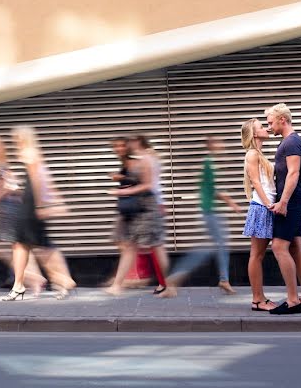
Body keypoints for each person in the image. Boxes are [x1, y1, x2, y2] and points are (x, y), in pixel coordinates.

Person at [158, 137, 241, 298]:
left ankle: (222, 279)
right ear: (211, 146)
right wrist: (232, 203)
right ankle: (176, 277)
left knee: (217, 246)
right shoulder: (210, 163)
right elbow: (214, 190)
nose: (222, 145)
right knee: (211, 248)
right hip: (211, 211)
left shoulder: (211, 163)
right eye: (218, 143)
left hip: (211, 210)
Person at [2, 125, 76, 301]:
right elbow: (42, 180)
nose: (15, 141)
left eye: (17, 138)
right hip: (30, 203)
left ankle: (60, 280)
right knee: (29, 245)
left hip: (31, 205)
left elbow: (37, 181)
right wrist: (17, 188)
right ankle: (57, 282)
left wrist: (41, 205)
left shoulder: (28, 152)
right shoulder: (33, 152)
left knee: (30, 245)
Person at [0, 136, 46, 298]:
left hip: (7, 211)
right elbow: (0, 188)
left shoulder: (4, 166)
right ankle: (32, 280)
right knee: (13, 247)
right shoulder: (1, 166)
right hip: (9, 209)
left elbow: (9, 188)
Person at [265, 103, 301, 315]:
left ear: (282, 120)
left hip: (292, 202)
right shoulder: (290, 142)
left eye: (270, 122)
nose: (269, 127)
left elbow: (293, 174)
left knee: (278, 247)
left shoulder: (291, 143)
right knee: (295, 247)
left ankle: (293, 301)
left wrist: (283, 202)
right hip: (294, 201)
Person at [105, 135, 169, 296]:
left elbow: (148, 185)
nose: (126, 146)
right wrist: (121, 178)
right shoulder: (141, 158)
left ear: (137, 143)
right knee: (133, 246)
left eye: (128, 143)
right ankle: (119, 284)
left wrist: (122, 190)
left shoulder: (145, 159)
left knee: (154, 246)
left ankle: (167, 284)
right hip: (137, 208)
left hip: (146, 207)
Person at [240, 118, 277, 311]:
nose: (266, 128)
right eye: (261, 127)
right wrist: (269, 204)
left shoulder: (259, 153)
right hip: (262, 207)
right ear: (254, 134)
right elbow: (256, 182)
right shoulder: (253, 154)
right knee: (256, 256)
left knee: (259, 255)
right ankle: (257, 300)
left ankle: (260, 297)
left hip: (265, 206)